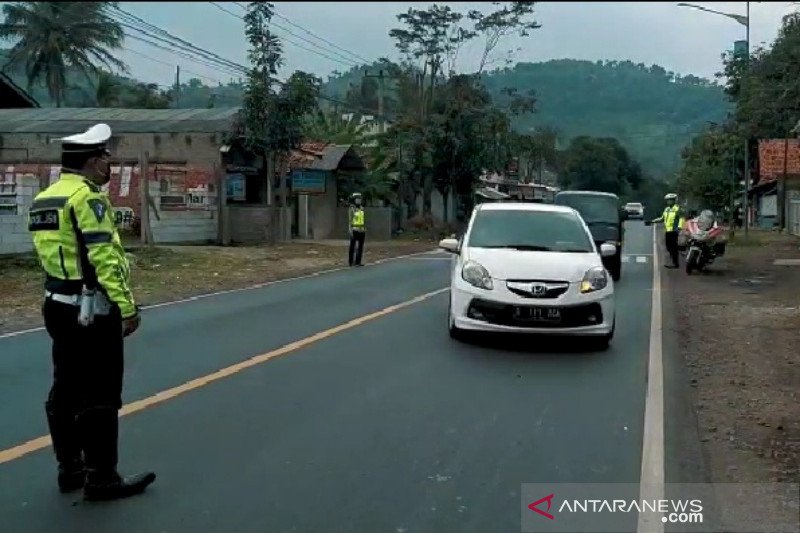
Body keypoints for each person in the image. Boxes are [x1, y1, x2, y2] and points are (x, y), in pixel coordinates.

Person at [27, 123, 156, 501]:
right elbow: (103, 258)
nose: (110, 165)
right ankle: (102, 477)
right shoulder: (89, 200)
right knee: (101, 392)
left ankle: (70, 468)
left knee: (65, 386)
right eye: (105, 157)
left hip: (56, 303)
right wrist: (127, 306)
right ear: (91, 161)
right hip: (91, 307)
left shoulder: (45, 199)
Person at [650, 192, 685, 269]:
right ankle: (674, 261)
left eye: (670, 200)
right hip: (668, 231)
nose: (668, 202)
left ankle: (675, 263)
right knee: (668, 247)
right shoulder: (667, 209)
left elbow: (681, 219)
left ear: (674, 201)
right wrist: (653, 221)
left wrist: (679, 227)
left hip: (674, 231)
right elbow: (662, 218)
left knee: (673, 247)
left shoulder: (678, 209)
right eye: (667, 200)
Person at [348, 192, 366, 267]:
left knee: (360, 247)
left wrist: (364, 228)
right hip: (354, 229)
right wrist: (350, 229)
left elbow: (363, 219)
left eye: (359, 199)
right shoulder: (352, 208)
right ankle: (351, 262)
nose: (358, 201)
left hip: (361, 229)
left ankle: (358, 261)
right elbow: (350, 219)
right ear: (354, 200)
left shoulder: (362, 208)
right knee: (352, 246)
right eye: (357, 199)